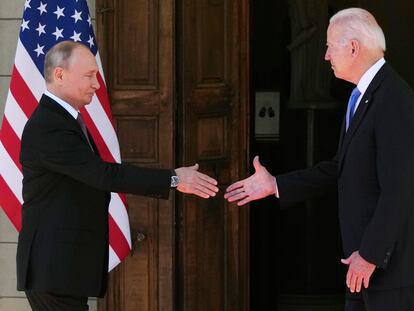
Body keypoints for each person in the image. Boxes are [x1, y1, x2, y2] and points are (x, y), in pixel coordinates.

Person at [225, 8, 414, 310]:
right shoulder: (361, 96)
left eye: (329, 46)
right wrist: (276, 184)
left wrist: (370, 255)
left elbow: (401, 189)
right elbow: (340, 168)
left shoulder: (393, 98)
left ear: (353, 47)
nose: (325, 56)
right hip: (361, 266)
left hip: (385, 272)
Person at [17, 40, 219, 311]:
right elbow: (102, 175)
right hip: (52, 269)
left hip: (63, 270)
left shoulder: (63, 119)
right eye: (89, 76)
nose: (96, 85)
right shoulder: (48, 126)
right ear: (60, 75)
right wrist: (174, 178)